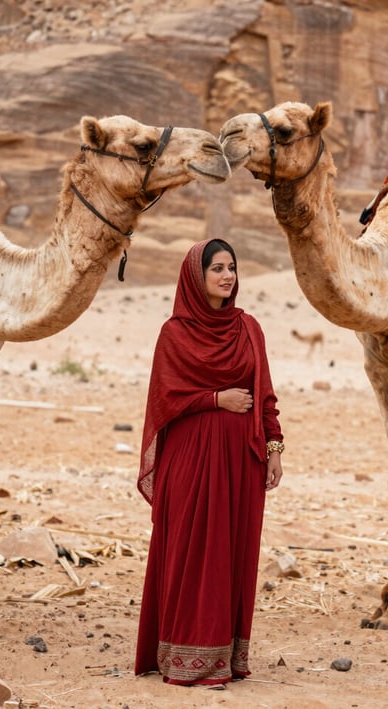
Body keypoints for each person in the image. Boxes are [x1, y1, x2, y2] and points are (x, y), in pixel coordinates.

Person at [134, 238, 284, 688]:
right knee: (192, 551)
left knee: (230, 557)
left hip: (241, 462)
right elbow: (165, 399)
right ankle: (185, 657)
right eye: (216, 268)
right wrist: (216, 399)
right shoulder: (174, 333)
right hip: (191, 460)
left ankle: (223, 658)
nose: (227, 276)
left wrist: (274, 448)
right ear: (195, 277)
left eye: (231, 267)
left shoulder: (249, 328)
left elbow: (265, 395)